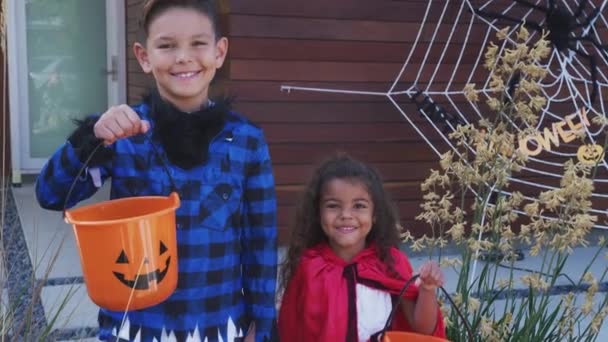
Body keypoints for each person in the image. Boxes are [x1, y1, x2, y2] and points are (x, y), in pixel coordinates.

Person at [35, 0, 277, 341]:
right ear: (144, 56)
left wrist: (262, 328)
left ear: (219, 52)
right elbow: (50, 194)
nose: (183, 57)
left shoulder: (247, 142)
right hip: (136, 329)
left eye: (198, 43)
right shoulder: (123, 136)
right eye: (166, 45)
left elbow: (261, 246)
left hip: (217, 326)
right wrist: (91, 138)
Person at [278, 154, 446, 342]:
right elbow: (290, 330)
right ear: (318, 214)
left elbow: (421, 330)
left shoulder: (390, 262)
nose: (346, 215)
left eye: (359, 206)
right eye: (333, 206)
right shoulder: (309, 267)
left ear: (375, 215)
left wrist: (427, 290)